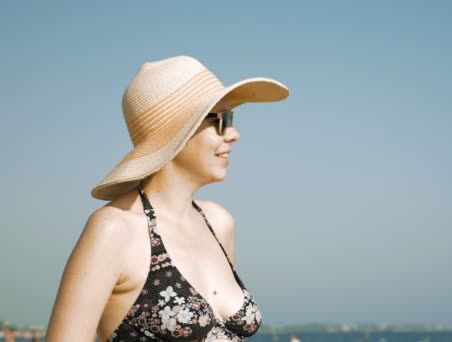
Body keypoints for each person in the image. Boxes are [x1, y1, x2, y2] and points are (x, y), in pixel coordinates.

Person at [46, 55, 289, 341]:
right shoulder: (114, 229)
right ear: (176, 132)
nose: (234, 134)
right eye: (221, 120)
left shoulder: (218, 223)